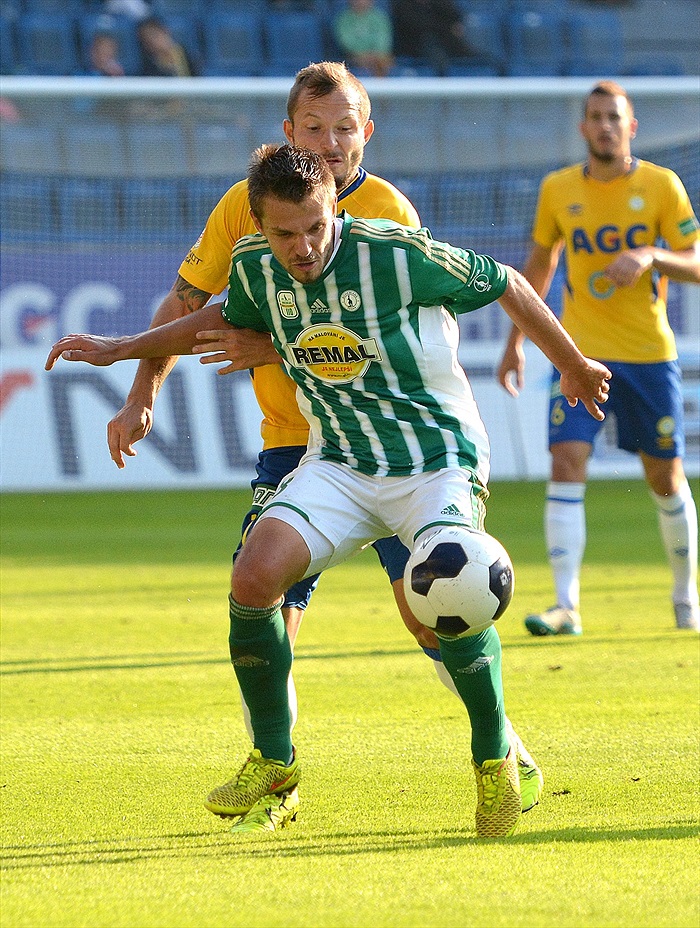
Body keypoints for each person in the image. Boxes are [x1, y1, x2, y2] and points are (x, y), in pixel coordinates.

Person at [46, 144, 611, 837]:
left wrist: (575, 364)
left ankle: (495, 759)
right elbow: (217, 321)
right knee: (253, 577)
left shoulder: (396, 254)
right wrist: (121, 347)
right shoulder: (255, 267)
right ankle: (275, 764)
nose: (304, 245)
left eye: (315, 226)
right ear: (258, 226)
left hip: (434, 460)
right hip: (340, 462)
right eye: (285, 233)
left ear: (332, 207)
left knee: (449, 601)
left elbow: (508, 286)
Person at [497, 80, 700, 636]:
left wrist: (650, 254)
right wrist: (518, 341)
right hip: (580, 356)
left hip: (647, 356)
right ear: (582, 127)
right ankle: (566, 606)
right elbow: (537, 268)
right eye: (595, 117)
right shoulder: (558, 190)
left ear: (631, 127)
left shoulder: (662, 185)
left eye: (615, 116)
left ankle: (686, 597)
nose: (605, 125)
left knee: (664, 478)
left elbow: (696, 261)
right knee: (566, 461)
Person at [390, 0, 475, 76]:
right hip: (415, 47)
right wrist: (447, 28)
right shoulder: (402, 4)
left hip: (446, 43)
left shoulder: (439, 3)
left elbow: (455, 17)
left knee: (476, 60)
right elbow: (416, 25)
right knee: (433, 46)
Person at [332, 0, 394, 78]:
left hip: (379, 57)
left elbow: (384, 39)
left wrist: (376, 53)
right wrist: (362, 53)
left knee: (383, 62)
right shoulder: (343, 19)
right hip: (353, 57)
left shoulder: (380, 17)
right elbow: (346, 41)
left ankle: (383, 86)